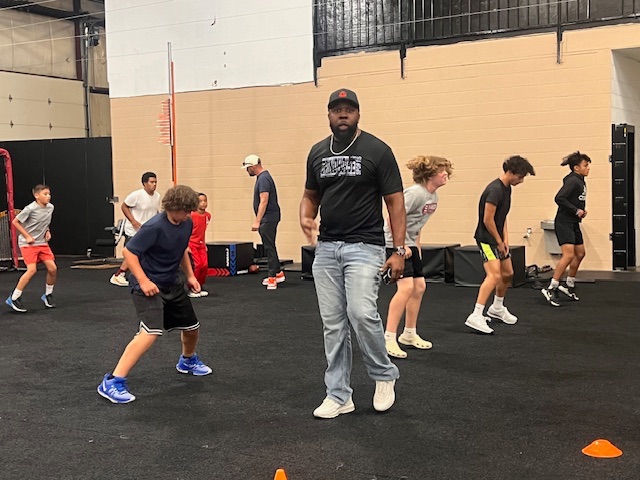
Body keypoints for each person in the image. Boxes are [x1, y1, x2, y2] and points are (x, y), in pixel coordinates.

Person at [300, 88, 406, 419]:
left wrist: (398, 250)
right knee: (333, 325)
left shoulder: (377, 150)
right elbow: (310, 196)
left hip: (366, 247)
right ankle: (339, 394)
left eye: (349, 109)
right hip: (327, 249)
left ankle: (384, 375)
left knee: (361, 314)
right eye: (337, 110)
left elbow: (395, 203)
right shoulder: (318, 152)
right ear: (329, 115)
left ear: (358, 114)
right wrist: (305, 216)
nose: (343, 114)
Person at [97, 185, 212, 404]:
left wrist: (190, 276)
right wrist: (144, 280)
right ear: (173, 207)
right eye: (185, 211)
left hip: (171, 282)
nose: (188, 215)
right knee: (150, 332)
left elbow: (181, 249)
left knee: (191, 328)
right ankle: (112, 381)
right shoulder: (154, 227)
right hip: (146, 285)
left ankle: (187, 361)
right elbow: (129, 253)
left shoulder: (186, 223)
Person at [383, 155, 453, 358]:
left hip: (410, 245)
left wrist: (416, 247)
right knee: (405, 288)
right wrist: (400, 246)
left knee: (419, 286)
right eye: (441, 171)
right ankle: (388, 337)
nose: (446, 174)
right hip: (394, 243)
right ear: (430, 174)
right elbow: (393, 217)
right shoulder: (415, 193)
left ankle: (409, 333)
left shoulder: (433, 197)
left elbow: (417, 224)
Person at [465, 156, 536, 334]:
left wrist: (505, 241)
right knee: (494, 276)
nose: (521, 181)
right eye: (520, 177)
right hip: (486, 239)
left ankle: (497, 308)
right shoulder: (494, 190)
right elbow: (487, 220)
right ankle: (476, 315)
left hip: (497, 239)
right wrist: (498, 241)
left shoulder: (507, 189)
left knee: (508, 273)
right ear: (510, 172)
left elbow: (502, 218)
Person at [541, 151, 591, 306]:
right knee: (568, 255)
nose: (588, 168)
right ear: (576, 168)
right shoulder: (573, 181)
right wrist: (576, 210)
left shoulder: (580, 180)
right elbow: (559, 198)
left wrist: (580, 211)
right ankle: (551, 287)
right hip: (564, 222)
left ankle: (568, 284)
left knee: (580, 253)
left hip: (573, 222)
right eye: (585, 165)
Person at [5, 184, 57, 312]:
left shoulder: (50, 207)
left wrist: (47, 231)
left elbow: (45, 222)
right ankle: (14, 297)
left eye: (49, 194)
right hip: (28, 244)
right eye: (45, 194)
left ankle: (48, 295)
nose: (48, 196)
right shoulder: (30, 209)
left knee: (52, 268)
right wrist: (27, 236)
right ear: (36, 195)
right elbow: (15, 222)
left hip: (42, 243)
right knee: (32, 270)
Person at [110, 172, 161, 287]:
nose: (154, 184)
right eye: (151, 182)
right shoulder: (136, 195)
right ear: (144, 183)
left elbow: (154, 212)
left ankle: (145, 275)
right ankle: (119, 275)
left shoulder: (157, 196)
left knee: (147, 252)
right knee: (134, 253)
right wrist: (133, 221)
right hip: (134, 230)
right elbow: (124, 206)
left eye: (155, 182)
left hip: (147, 230)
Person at [242, 154, 284, 290]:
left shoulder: (264, 179)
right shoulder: (262, 178)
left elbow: (264, 201)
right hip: (269, 217)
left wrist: (257, 221)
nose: (247, 171)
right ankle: (278, 273)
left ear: (253, 166)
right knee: (269, 246)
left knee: (269, 247)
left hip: (268, 218)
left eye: (248, 168)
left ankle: (272, 277)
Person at [187, 193, 211, 298]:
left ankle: (200, 285)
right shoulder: (191, 216)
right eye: (200, 201)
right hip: (192, 243)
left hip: (201, 244)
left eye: (205, 201)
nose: (203, 203)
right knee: (197, 265)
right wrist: (186, 245)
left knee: (204, 265)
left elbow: (202, 231)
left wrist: (204, 244)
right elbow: (187, 231)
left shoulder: (208, 216)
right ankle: (192, 287)